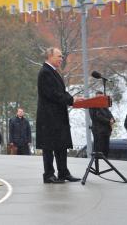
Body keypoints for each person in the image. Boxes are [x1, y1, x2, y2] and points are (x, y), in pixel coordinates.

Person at [36, 47, 82, 184]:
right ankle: (49, 175)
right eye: (59, 56)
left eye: (62, 56)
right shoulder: (45, 72)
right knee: (49, 147)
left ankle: (63, 172)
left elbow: (61, 91)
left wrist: (73, 99)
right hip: (49, 118)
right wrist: (71, 100)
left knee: (61, 145)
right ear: (49, 56)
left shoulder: (53, 72)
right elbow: (52, 94)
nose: (61, 59)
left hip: (57, 116)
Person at [89, 91, 115, 158]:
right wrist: (108, 121)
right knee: (99, 149)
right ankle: (98, 162)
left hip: (106, 131)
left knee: (106, 149)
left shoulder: (104, 107)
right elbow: (97, 117)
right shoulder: (93, 105)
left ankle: (105, 160)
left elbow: (110, 115)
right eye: (99, 97)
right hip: (98, 130)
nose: (100, 98)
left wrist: (112, 120)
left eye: (102, 97)